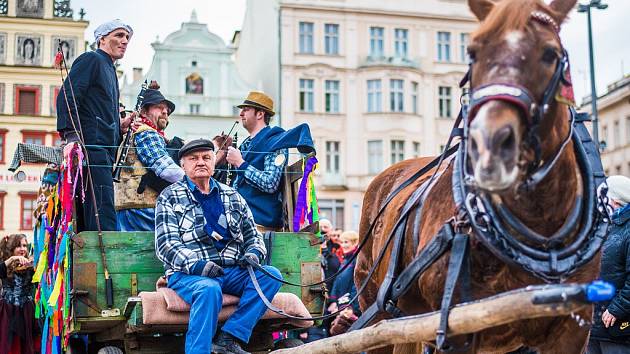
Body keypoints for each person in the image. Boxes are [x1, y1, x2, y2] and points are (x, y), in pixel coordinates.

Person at [155, 139, 283, 354]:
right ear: (183, 165)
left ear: (215, 161)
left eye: (206, 157)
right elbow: (166, 244)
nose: (200, 162)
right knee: (208, 289)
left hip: (231, 271)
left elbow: (253, 235)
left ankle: (230, 337)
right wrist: (198, 266)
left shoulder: (232, 196)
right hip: (189, 274)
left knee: (271, 275)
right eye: (193, 159)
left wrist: (253, 253)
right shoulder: (169, 196)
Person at [56, 19, 133, 232]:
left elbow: (98, 111)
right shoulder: (92, 59)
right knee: (101, 211)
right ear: (102, 39)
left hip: (103, 151)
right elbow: (66, 96)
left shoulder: (110, 69)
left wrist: (120, 126)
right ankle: (103, 259)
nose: (124, 41)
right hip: (91, 149)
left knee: (97, 208)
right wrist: (71, 135)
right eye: (118, 35)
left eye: (127, 37)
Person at [226, 91, 314, 231]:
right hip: (241, 218)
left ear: (260, 114)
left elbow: (270, 183)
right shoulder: (246, 144)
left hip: (260, 222)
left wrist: (240, 163)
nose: (241, 113)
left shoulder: (275, 141)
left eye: (246, 109)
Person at [115, 84, 183, 231]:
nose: (165, 112)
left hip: (128, 209)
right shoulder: (147, 133)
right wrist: (195, 183)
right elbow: (166, 170)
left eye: (167, 109)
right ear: (144, 111)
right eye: (159, 107)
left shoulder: (136, 132)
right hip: (142, 210)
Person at [587, 175, 630, 354]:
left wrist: (616, 309)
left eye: (603, 198)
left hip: (617, 326)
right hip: (594, 325)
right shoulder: (602, 227)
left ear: (615, 200)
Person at [0, 234, 39, 354]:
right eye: (18, 246)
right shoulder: (5, 265)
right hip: (8, 310)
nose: (23, 249)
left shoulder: (31, 264)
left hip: (27, 311)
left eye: (24, 246)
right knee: (10, 346)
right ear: (11, 248)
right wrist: (12, 259)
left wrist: (35, 264)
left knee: (27, 347)